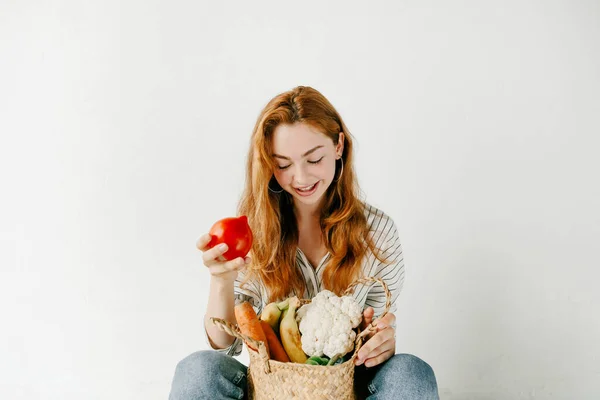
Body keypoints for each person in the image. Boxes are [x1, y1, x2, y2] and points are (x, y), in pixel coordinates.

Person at [169, 86, 439, 399]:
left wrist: (382, 343)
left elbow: (373, 341)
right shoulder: (250, 233)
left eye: (313, 159)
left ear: (338, 146)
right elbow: (225, 344)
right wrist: (220, 280)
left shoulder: (377, 233)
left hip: (345, 390)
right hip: (271, 389)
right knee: (197, 370)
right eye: (283, 164)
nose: (300, 178)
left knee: (411, 372)